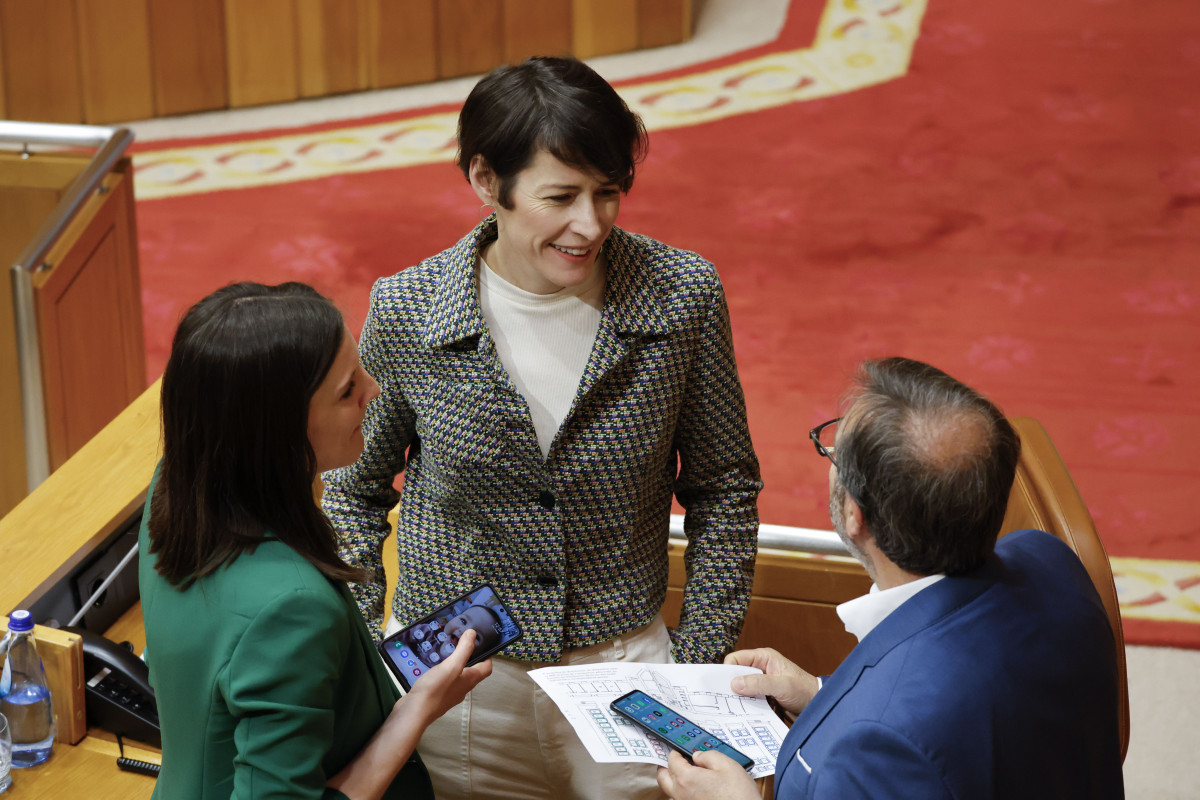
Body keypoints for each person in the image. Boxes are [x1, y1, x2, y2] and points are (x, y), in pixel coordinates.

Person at [321, 55, 762, 799]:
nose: (588, 225)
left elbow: (726, 486)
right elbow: (354, 489)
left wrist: (695, 661)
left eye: (608, 193)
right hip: (460, 687)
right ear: (487, 180)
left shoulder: (683, 296)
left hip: (629, 675)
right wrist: (374, 647)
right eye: (560, 196)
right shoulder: (408, 309)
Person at [656, 357, 1125, 800]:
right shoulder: (1049, 558)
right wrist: (822, 695)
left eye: (834, 452)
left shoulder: (876, 751)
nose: (832, 453)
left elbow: (913, 723)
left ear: (855, 516)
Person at [138, 282, 491, 800]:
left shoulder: (176, 481)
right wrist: (419, 708)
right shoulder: (292, 608)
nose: (374, 389)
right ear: (279, 428)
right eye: (348, 389)